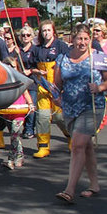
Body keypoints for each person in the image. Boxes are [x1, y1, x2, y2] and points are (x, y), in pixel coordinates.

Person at [54, 24, 107, 204]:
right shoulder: (62, 59)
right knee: (86, 146)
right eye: (79, 39)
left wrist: (100, 87)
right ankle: (94, 184)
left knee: (78, 145)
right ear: (72, 40)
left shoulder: (99, 58)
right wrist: (57, 98)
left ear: (90, 40)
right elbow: (57, 85)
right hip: (70, 108)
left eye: (86, 39)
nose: (82, 42)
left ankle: (69, 189)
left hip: (92, 106)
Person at [32, 20, 70, 158]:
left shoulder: (61, 46)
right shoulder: (37, 48)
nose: (46, 33)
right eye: (44, 30)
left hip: (58, 86)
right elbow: (30, 66)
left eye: (48, 30)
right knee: (42, 117)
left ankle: (70, 136)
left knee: (60, 117)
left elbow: (69, 63)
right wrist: (37, 71)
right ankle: (43, 146)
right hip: (43, 86)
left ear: (53, 31)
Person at [0, 58, 35, 169]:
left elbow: (26, 92)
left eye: (12, 66)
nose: (10, 68)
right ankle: (20, 156)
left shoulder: (19, 78)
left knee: (14, 134)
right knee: (15, 137)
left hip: (19, 112)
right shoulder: (2, 79)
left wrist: (30, 104)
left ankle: (10, 159)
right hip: (8, 112)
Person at [13, 25, 39, 139]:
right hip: (21, 81)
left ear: (32, 36)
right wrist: (15, 54)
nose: (25, 37)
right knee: (22, 106)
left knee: (31, 106)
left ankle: (29, 129)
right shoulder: (18, 50)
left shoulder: (35, 49)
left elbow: (39, 65)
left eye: (28, 35)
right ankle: (23, 127)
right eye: (23, 35)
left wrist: (31, 70)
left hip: (32, 80)